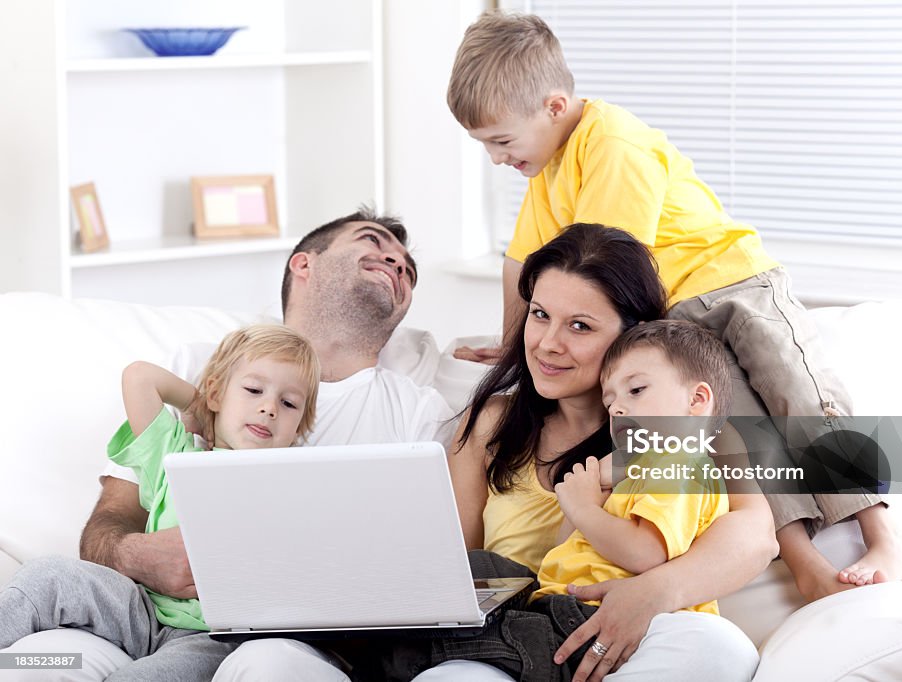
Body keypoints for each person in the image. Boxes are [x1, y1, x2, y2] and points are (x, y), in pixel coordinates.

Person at [446, 10, 902, 602]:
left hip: (736, 283)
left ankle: (882, 531)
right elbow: (520, 263)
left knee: (802, 397)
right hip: (678, 314)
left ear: (554, 107)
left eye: (501, 142)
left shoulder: (612, 143)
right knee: (739, 430)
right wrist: (514, 341)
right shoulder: (546, 173)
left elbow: (612, 265)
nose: (495, 159)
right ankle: (804, 561)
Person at [0, 208, 456, 681]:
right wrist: (139, 553)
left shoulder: (418, 411)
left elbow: (428, 571)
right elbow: (112, 518)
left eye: (408, 268)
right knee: (34, 655)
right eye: (373, 242)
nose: (397, 262)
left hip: (245, 642)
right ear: (304, 264)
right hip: (135, 610)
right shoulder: (203, 368)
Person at [422, 224, 770, 682]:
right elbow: (457, 565)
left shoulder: (687, 429)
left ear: (632, 333)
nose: (548, 343)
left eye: (580, 326)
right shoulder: (489, 423)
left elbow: (756, 538)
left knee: (721, 649)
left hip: (642, 640)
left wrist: (649, 594)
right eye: (541, 314)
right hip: (517, 643)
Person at [0, 324, 321, 680]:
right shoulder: (176, 454)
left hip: (210, 637)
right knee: (49, 575)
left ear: (298, 429)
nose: (268, 408)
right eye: (253, 390)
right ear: (217, 394)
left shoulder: (292, 484)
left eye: (288, 403)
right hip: (140, 609)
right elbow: (139, 377)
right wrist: (201, 404)